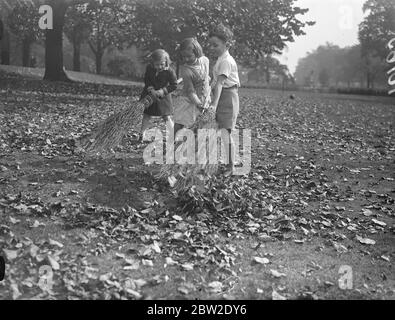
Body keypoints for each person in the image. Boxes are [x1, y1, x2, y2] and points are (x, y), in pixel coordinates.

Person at [209, 24, 240, 175]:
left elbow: (220, 83)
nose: (213, 48)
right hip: (221, 95)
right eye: (211, 45)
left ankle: (230, 167)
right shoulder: (220, 59)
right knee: (215, 131)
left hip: (228, 98)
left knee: (226, 133)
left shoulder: (226, 61)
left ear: (226, 44)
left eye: (216, 45)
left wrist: (214, 104)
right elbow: (215, 82)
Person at [174, 38, 211, 136]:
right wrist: (198, 103)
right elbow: (190, 91)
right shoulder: (186, 70)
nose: (186, 59)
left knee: (198, 125)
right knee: (180, 123)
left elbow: (206, 77)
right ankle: (171, 143)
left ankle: (192, 145)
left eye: (189, 56)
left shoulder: (205, 61)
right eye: (183, 56)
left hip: (203, 97)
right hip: (188, 100)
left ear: (197, 52)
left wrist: (207, 95)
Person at [139, 49, 177, 142]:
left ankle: (173, 135)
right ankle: (142, 134)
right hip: (150, 95)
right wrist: (151, 88)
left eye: (162, 64)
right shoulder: (150, 68)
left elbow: (174, 85)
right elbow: (147, 79)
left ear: (166, 62)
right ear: (153, 63)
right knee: (147, 115)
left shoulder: (169, 71)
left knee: (166, 116)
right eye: (157, 64)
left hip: (163, 97)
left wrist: (163, 91)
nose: (159, 66)